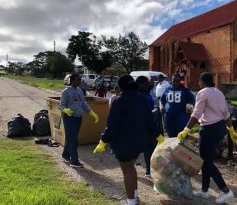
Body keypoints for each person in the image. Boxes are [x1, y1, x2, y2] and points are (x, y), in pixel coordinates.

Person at [93, 75, 163, 205]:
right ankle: (134, 196)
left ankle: (131, 201)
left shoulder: (119, 101)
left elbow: (112, 125)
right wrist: (157, 134)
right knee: (131, 167)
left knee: (127, 169)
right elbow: (150, 120)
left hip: (124, 142)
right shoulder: (142, 99)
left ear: (120, 87)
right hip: (139, 141)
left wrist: (103, 141)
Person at [177, 72, 237, 204]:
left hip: (209, 130)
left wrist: (186, 129)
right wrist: (231, 130)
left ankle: (226, 190)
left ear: (202, 81)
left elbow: (196, 113)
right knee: (207, 159)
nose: (198, 84)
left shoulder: (202, 92)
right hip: (220, 128)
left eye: (199, 81)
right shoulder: (218, 92)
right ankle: (204, 191)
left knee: (205, 161)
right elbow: (226, 113)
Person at [60, 73, 99, 168]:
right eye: (78, 80)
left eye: (80, 79)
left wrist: (91, 112)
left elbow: (83, 103)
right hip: (69, 118)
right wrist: (66, 110)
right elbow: (62, 105)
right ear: (72, 80)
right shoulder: (66, 91)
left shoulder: (80, 90)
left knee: (71, 138)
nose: (80, 81)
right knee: (74, 140)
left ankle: (65, 155)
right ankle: (74, 161)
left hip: (78, 118)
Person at [136, 76, 163, 178]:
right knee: (147, 147)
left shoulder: (146, 93)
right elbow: (145, 115)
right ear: (140, 84)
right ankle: (148, 170)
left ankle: (151, 169)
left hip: (151, 122)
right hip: (145, 125)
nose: (148, 85)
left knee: (151, 147)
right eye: (146, 84)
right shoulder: (139, 96)